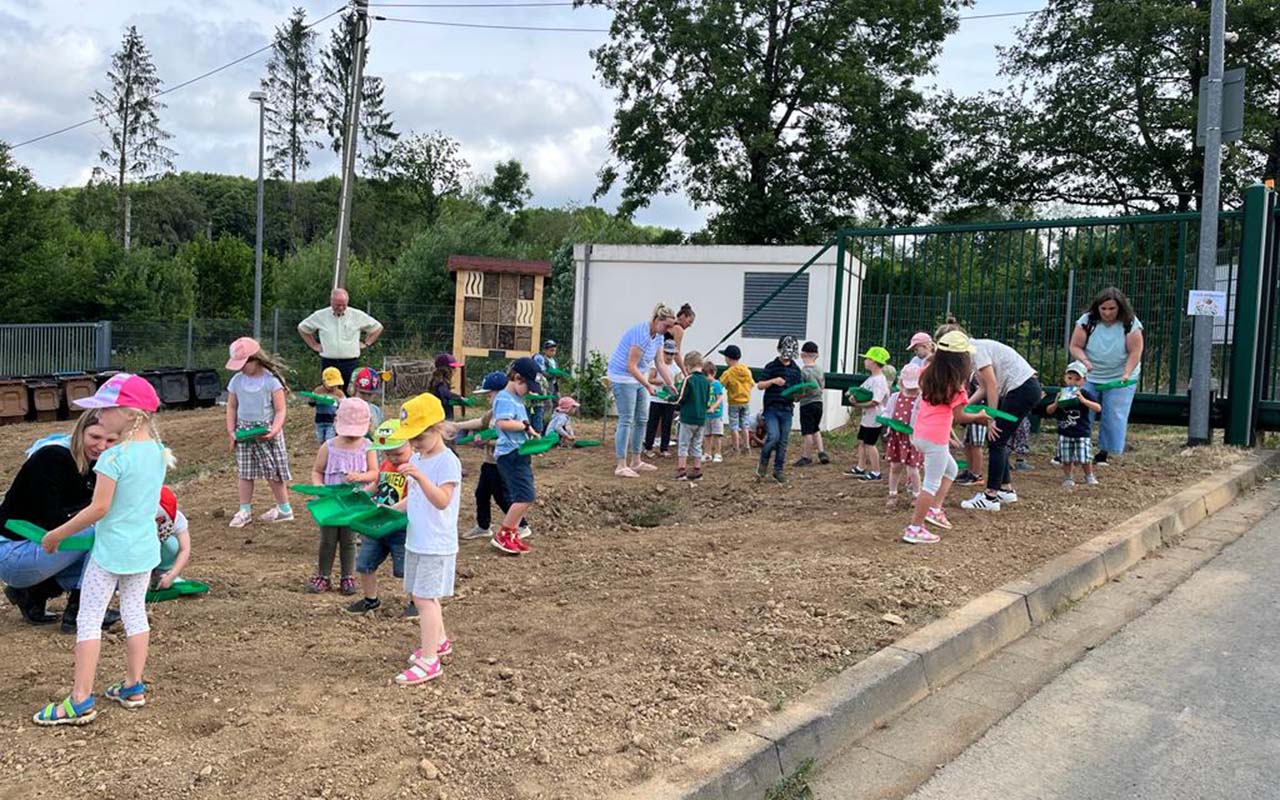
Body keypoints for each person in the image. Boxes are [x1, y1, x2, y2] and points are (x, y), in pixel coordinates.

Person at [33, 374, 173, 726]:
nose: (99, 416)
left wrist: (56, 535)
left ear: (129, 414)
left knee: (89, 619)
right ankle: (133, 685)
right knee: (135, 613)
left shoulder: (114, 459)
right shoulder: (157, 453)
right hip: (143, 551)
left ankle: (79, 699)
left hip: (110, 551)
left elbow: (99, 509)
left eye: (106, 409)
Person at [0, 411, 120, 633]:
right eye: (95, 437)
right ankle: (81, 612)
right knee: (109, 531)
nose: (101, 446)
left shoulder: (98, 466)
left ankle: (33, 593)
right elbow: (51, 518)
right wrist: (96, 510)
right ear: (80, 432)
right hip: (13, 551)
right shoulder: (53, 457)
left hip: (40, 549)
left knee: (110, 549)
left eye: (110, 440)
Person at [391, 393, 462, 686]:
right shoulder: (419, 458)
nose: (415, 444)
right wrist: (389, 510)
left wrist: (420, 477)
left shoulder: (447, 462)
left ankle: (430, 660)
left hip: (436, 542)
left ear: (438, 429)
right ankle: (440, 642)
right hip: (417, 539)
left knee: (423, 599)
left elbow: (443, 500)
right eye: (412, 438)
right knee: (425, 594)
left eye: (419, 437)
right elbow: (416, 500)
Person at [940, 323, 1043, 513]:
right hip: (1022, 389)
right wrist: (962, 407)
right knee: (998, 440)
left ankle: (990, 496)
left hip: (1022, 388)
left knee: (996, 439)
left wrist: (990, 418)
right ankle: (1005, 490)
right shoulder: (972, 354)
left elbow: (992, 384)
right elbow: (983, 387)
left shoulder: (976, 350)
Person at [903, 333, 990, 545]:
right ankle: (915, 527)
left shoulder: (926, 374)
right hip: (936, 439)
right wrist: (979, 416)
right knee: (930, 484)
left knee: (950, 470)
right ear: (961, 360)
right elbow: (960, 417)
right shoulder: (957, 387)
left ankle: (934, 509)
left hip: (920, 434)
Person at [307, 398, 378, 594]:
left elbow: (374, 473)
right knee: (327, 539)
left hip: (353, 502)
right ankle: (323, 575)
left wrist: (360, 477)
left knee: (348, 540)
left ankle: (347, 576)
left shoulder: (367, 446)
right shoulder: (328, 446)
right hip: (331, 502)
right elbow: (317, 471)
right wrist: (319, 488)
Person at [1069, 287, 1145, 465]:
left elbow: (1135, 351)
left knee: (1113, 413)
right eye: (1103, 309)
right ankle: (1077, 446)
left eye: (1112, 309)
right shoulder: (1087, 321)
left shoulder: (1130, 323)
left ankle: (1106, 452)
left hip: (1120, 377)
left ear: (1120, 308)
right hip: (1090, 374)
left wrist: (1126, 373)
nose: (1107, 313)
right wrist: (1085, 361)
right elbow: (1075, 346)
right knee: (1080, 409)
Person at [349, 420, 415, 617]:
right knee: (364, 562)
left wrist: (392, 509)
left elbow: (415, 497)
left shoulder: (414, 467)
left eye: (398, 453)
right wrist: (363, 495)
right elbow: (378, 485)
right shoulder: (387, 463)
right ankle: (371, 600)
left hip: (401, 525)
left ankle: (415, 602)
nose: (393, 458)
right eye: (388, 453)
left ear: (411, 443)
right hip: (380, 522)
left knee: (406, 568)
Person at [225, 338, 293, 528]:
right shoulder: (237, 381)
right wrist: (231, 432)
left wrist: (274, 429)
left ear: (255, 359)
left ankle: (284, 509)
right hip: (244, 432)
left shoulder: (271, 381)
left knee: (273, 473)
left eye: (244, 364)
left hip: (266, 432)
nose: (241, 368)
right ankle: (244, 510)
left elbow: (280, 410)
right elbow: (231, 407)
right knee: (245, 472)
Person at [456, 372, 530, 542]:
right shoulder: (494, 411)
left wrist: (486, 441)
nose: (487, 398)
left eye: (489, 394)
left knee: (502, 496)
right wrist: (456, 425)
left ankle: (522, 525)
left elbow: (514, 441)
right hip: (489, 461)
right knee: (481, 493)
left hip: (503, 462)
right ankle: (483, 526)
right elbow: (480, 422)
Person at [607, 303, 678, 478]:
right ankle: (621, 464)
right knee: (626, 419)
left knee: (642, 419)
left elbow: (660, 363)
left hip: (639, 376)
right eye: (666, 325)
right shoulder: (641, 334)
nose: (669, 329)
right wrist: (648, 385)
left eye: (671, 326)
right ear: (656, 320)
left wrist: (670, 383)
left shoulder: (659, 337)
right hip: (623, 377)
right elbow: (630, 366)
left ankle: (636, 461)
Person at [491, 357, 542, 554]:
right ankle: (504, 534)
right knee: (525, 496)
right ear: (517, 378)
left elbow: (520, 424)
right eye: (527, 386)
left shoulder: (517, 399)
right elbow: (503, 423)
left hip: (518, 451)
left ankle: (513, 533)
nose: (529, 391)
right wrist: (525, 426)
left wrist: (531, 434)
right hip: (510, 454)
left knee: (525, 496)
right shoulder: (504, 398)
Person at [297, 288, 383, 389]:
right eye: (338, 305)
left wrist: (367, 343)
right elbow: (302, 328)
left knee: (350, 392)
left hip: (350, 363)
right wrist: (314, 345)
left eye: (344, 305)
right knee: (329, 392)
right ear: (331, 302)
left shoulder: (357, 315)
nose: (341, 308)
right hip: (329, 362)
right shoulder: (320, 316)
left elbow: (377, 327)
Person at [1046, 362, 1103, 488]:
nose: (1073, 382)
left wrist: (1083, 400)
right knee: (1066, 457)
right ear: (1065, 378)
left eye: (1077, 379)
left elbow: (1098, 408)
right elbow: (1049, 410)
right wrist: (1056, 403)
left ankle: (1089, 475)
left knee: (1085, 456)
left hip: (1081, 432)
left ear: (1083, 381)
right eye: (1070, 378)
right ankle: (1068, 477)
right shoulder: (1060, 394)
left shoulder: (1085, 394)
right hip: (1065, 431)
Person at [755, 336, 803, 484]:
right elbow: (760, 385)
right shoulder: (771, 366)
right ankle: (763, 462)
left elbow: (798, 393)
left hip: (787, 408)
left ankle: (778, 470)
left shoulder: (796, 370)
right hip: (771, 408)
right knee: (773, 436)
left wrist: (797, 396)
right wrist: (773, 381)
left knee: (783, 441)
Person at [846, 346, 891, 481]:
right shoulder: (872, 378)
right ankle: (861, 467)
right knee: (862, 441)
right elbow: (861, 391)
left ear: (874, 361)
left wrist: (857, 404)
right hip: (867, 417)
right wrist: (853, 395)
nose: (865, 361)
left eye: (867, 359)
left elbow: (875, 401)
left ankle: (876, 472)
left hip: (874, 418)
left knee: (870, 444)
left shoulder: (879, 381)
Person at [884, 363, 924, 507]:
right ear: (901, 382)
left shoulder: (921, 399)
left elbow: (921, 418)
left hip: (912, 439)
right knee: (895, 466)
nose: (911, 390)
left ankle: (916, 495)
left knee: (913, 469)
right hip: (896, 437)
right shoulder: (895, 397)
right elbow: (887, 412)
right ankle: (892, 493)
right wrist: (886, 420)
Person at [644, 340, 683, 458]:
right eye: (667, 353)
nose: (670, 356)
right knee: (652, 424)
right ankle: (648, 447)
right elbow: (650, 379)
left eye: (672, 354)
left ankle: (664, 448)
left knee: (667, 425)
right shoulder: (655, 365)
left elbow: (678, 383)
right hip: (656, 399)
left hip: (669, 400)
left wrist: (676, 388)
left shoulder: (676, 369)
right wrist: (662, 382)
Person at [674, 351, 710, 481]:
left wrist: (670, 398)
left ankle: (681, 470)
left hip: (688, 417)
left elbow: (681, 397)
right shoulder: (706, 381)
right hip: (701, 418)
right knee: (697, 444)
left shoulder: (688, 380)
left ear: (688, 366)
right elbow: (707, 399)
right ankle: (696, 469)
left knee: (683, 444)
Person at [794, 341, 829, 466]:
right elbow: (822, 386)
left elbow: (802, 390)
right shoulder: (820, 370)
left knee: (807, 432)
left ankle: (806, 456)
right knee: (816, 428)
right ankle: (821, 452)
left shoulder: (803, 372)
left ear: (803, 355)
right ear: (816, 355)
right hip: (819, 403)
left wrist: (796, 398)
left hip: (807, 404)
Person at [152, 487, 190, 590]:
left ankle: (163, 572)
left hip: (159, 555)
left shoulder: (177, 519)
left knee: (171, 544)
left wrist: (172, 574)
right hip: (137, 557)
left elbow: (185, 549)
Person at [719, 345, 754, 455]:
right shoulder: (746, 370)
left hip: (734, 402)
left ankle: (736, 448)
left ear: (728, 358)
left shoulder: (728, 373)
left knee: (734, 426)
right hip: (746, 402)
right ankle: (747, 446)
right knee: (745, 424)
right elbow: (752, 384)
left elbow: (720, 385)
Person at [956, 375, 987, 486]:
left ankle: (976, 474)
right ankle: (970, 471)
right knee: (969, 444)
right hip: (971, 413)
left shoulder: (978, 375)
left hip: (979, 412)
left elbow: (983, 390)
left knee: (976, 445)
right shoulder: (970, 376)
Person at [309, 367, 346, 443]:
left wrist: (339, 402)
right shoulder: (318, 391)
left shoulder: (339, 393)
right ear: (323, 382)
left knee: (329, 441)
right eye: (331, 385)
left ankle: (328, 453)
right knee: (320, 439)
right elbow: (311, 403)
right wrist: (314, 398)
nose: (333, 388)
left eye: (336, 385)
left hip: (331, 421)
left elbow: (344, 405)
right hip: (319, 420)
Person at [532, 340, 560, 434]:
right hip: (546, 386)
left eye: (554, 350)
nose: (553, 352)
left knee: (557, 405)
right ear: (545, 350)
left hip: (554, 386)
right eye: (551, 350)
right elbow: (542, 372)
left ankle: (555, 426)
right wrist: (552, 374)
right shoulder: (542, 359)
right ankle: (544, 427)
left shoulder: (554, 361)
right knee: (548, 406)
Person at [703, 361, 726, 463]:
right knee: (707, 435)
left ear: (713, 374)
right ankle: (707, 453)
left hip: (716, 414)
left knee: (717, 435)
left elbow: (720, 398)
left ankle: (718, 453)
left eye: (707, 375)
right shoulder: (704, 385)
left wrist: (713, 407)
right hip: (706, 414)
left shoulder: (716, 384)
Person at [430, 353, 463, 422]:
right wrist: (459, 398)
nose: (455, 370)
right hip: (442, 417)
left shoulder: (437, 381)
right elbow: (445, 394)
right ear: (446, 369)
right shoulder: (440, 383)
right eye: (453, 368)